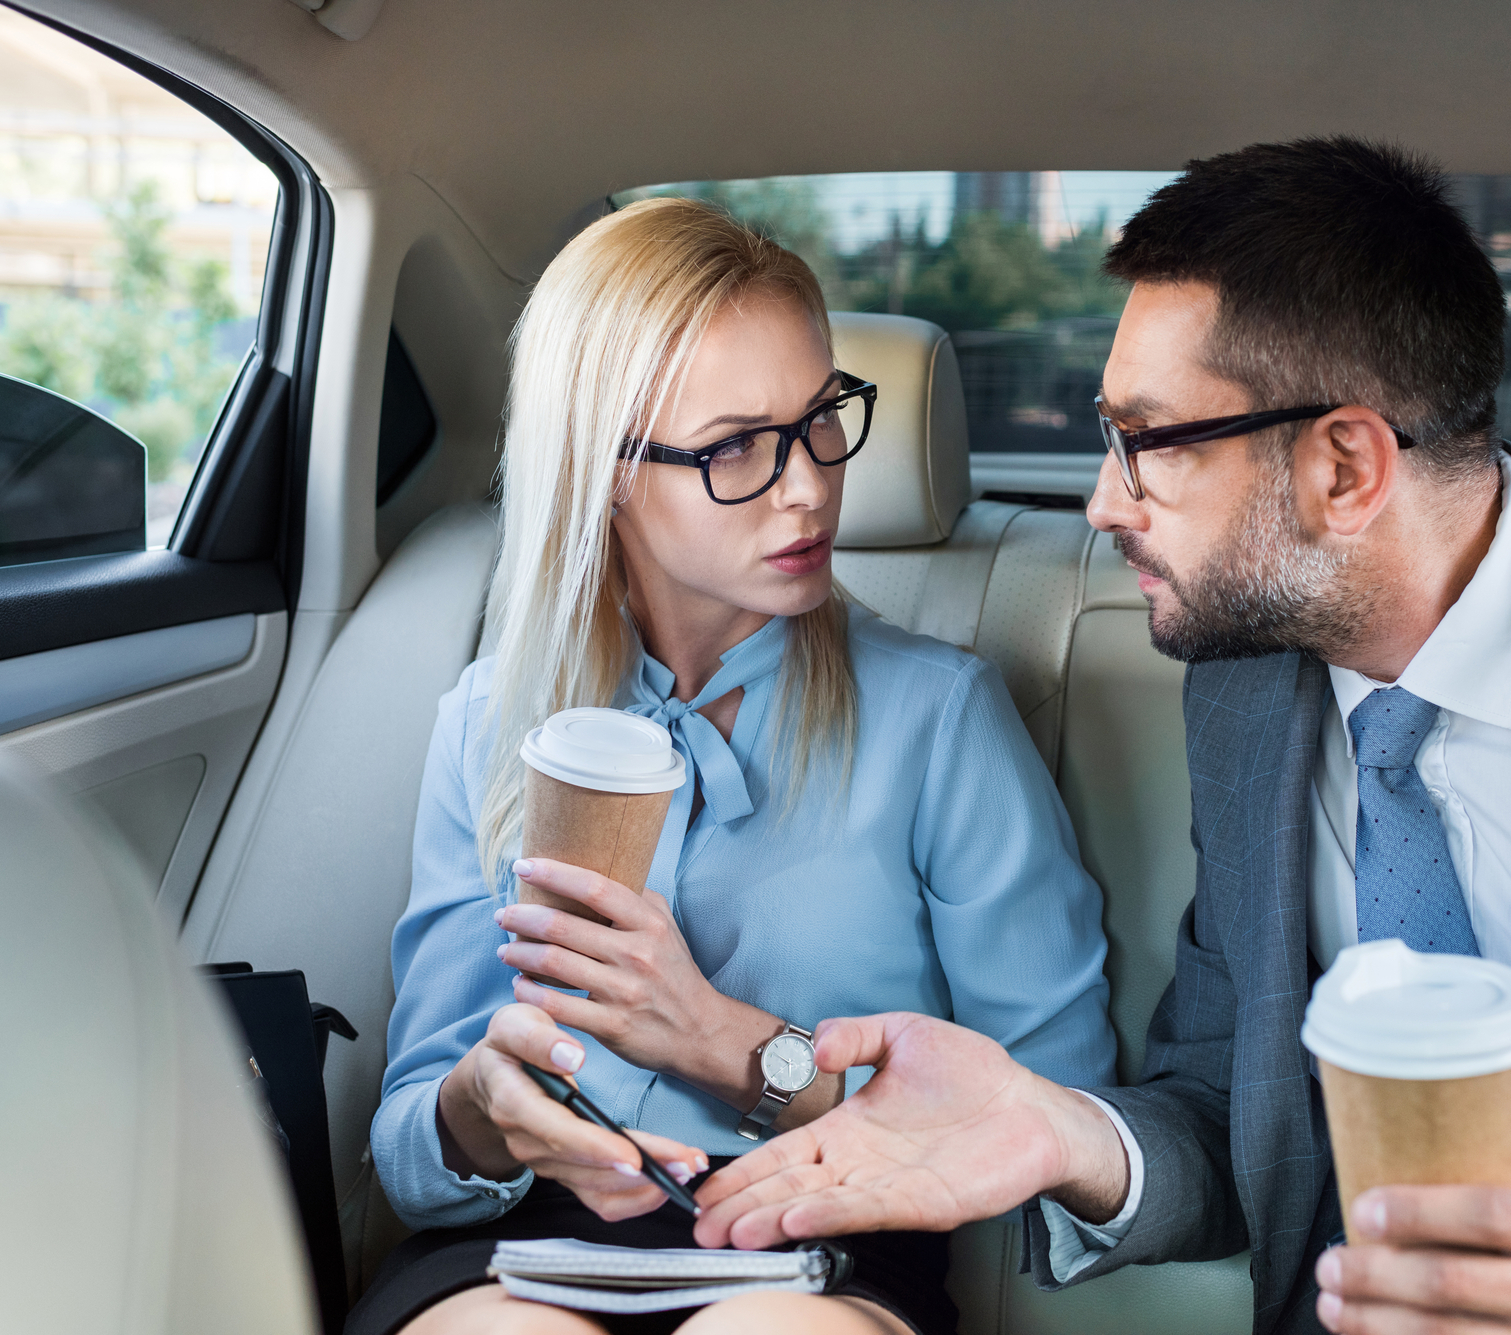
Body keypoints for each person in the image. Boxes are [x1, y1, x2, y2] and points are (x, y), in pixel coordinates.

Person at [689, 139, 1511, 1335]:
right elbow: (1227, 1106)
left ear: (1345, 468)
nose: (1101, 503)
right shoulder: (1246, 691)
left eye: (1146, 446)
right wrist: (1061, 1134)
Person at [347, 198, 1117, 1335]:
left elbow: (1052, 1118)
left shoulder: (939, 719)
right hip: (520, 1252)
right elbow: (413, 1149)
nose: (808, 486)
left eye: (820, 422)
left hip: (822, 1248)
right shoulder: (489, 722)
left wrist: (721, 1042)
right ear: (603, 469)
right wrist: (481, 1108)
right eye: (734, 449)